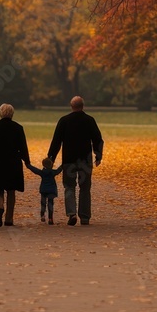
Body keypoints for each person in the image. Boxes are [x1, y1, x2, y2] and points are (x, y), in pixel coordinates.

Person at [47, 96, 103, 226]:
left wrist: (51, 158)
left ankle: (71, 213)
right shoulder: (89, 120)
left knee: (69, 187)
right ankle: (84, 217)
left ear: (71, 106)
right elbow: (97, 139)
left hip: (69, 160)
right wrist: (98, 156)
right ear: (83, 106)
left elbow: (56, 141)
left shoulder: (64, 121)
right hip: (85, 160)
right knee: (85, 188)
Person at [0, 103, 30, 227]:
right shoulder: (18, 128)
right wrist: (27, 161)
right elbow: (23, 147)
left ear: (0, 113)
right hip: (13, 162)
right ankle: (9, 218)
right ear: (12, 113)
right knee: (11, 190)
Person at [26, 156, 63, 224]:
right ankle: (50, 218)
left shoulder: (42, 172)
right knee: (50, 204)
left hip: (44, 190)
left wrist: (29, 165)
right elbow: (59, 170)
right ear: (51, 164)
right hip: (51, 190)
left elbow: (35, 170)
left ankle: (42, 215)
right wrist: (63, 164)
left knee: (43, 203)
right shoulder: (53, 172)